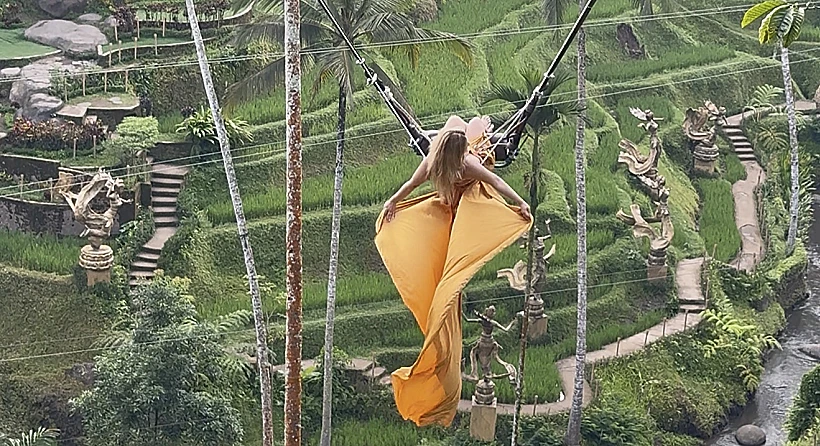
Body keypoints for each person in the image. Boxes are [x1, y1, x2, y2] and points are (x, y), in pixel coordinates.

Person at [374, 114, 533, 427]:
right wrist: (522, 203)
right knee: (469, 123)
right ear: (458, 154)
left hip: (471, 201)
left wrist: (392, 202)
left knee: (472, 125)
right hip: (454, 203)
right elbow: (415, 184)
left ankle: (481, 125)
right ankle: (479, 125)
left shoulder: (458, 162)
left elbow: (492, 182)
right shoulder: (455, 163)